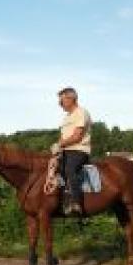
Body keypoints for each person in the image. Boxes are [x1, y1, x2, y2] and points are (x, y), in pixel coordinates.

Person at [51, 87, 92, 216]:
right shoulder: (66, 117)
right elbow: (63, 137)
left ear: (71, 99)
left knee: (69, 169)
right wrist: (57, 151)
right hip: (65, 151)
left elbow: (77, 136)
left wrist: (59, 144)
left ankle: (76, 203)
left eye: (61, 101)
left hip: (79, 150)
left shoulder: (81, 112)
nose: (60, 104)